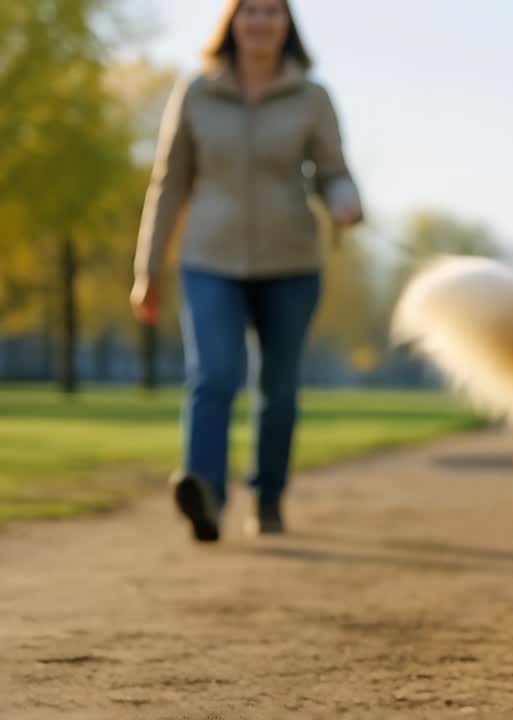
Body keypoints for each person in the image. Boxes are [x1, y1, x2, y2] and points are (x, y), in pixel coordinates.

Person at [131, 0, 362, 542]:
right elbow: (168, 184)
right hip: (210, 259)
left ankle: (269, 495)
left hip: (292, 262)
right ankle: (205, 493)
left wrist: (346, 200)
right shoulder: (196, 91)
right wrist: (148, 268)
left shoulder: (311, 96)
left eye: (271, 11)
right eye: (249, 10)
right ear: (231, 22)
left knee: (277, 388)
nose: (260, 21)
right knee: (213, 374)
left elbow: (334, 169)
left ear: (287, 25)